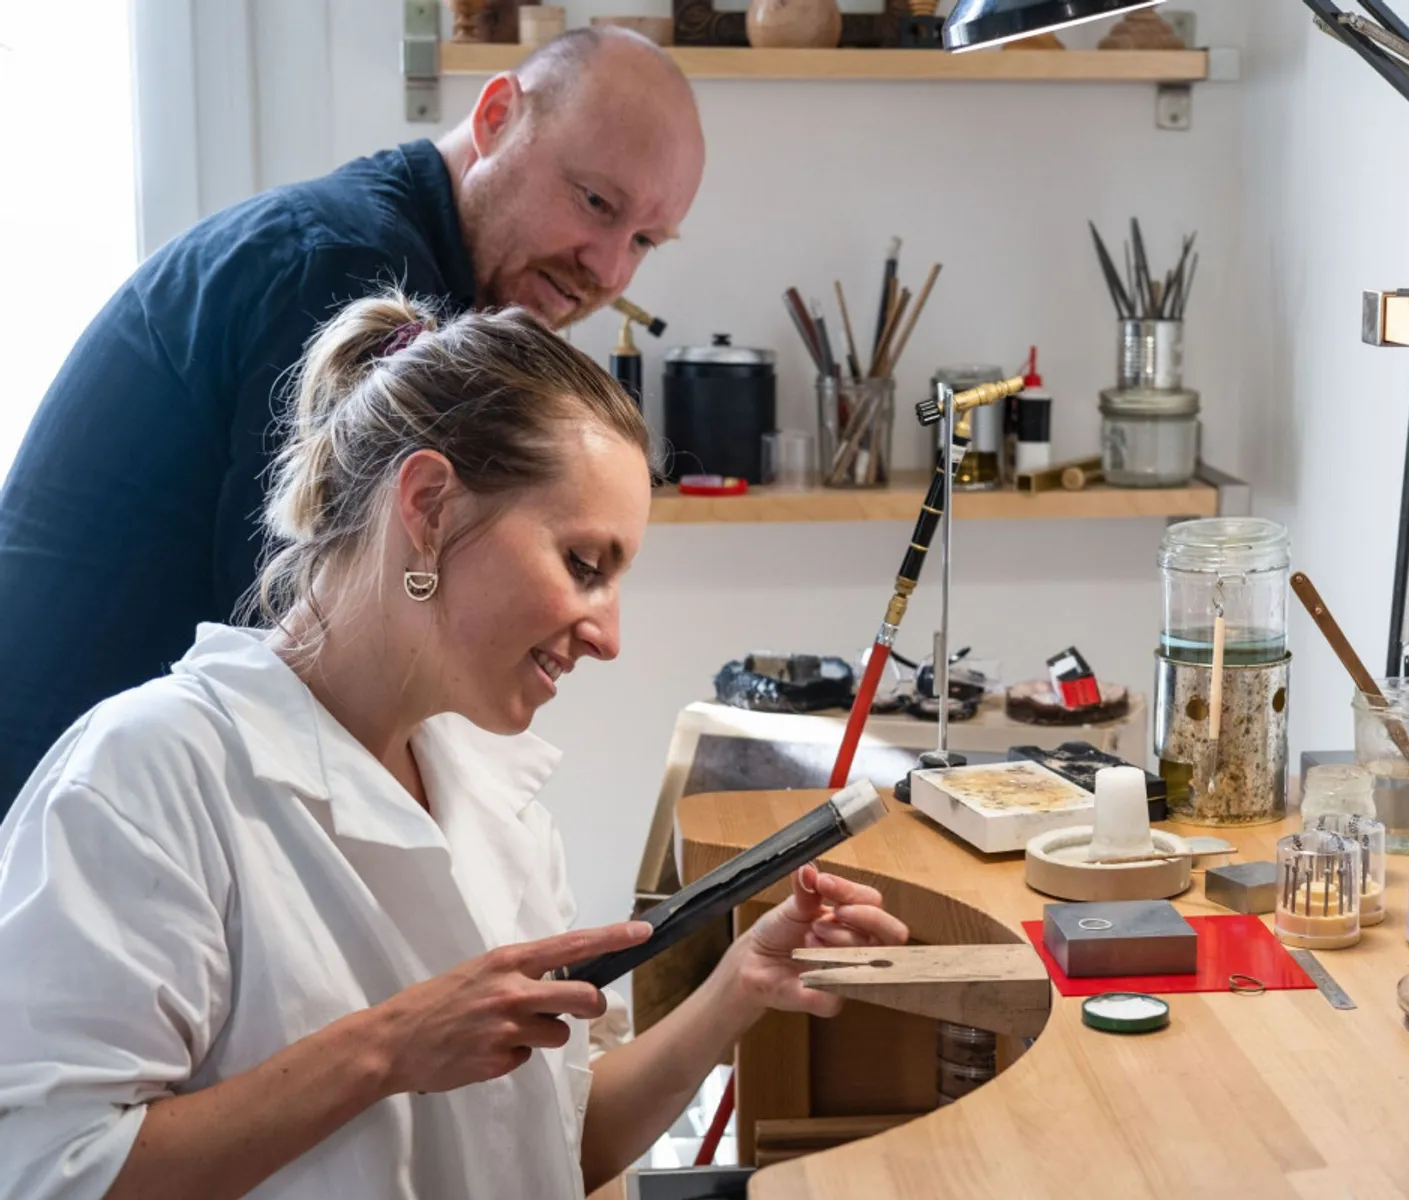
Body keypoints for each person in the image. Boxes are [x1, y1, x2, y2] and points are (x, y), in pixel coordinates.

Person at [0, 293, 907, 1200]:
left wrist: (739, 988)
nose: (608, 636)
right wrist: (387, 1049)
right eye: (584, 566)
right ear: (429, 506)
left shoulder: (490, 798)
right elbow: (48, 1174)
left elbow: (556, 1149)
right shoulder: (146, 776)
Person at [0, 27, 706, 813]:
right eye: (596, 202)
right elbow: (313, 648)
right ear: (497, 114)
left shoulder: (390, 257)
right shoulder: (345, 271)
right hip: (70, 805)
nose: (607, 268)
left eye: (644, 240)